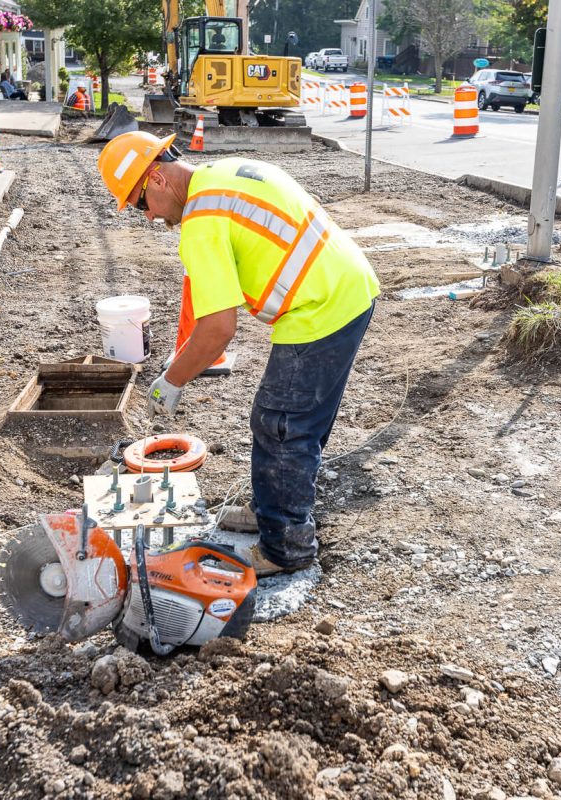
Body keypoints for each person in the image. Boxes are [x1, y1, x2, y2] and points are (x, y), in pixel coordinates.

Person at [96, 131, 380, 577]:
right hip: (349, 287)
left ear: (156, 178)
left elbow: (217, 330)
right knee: (301, 419)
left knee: (281, 424)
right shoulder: (224, 173)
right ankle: (275, 507)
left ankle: (285, 546)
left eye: (139, 204)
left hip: (320, 308)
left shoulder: (202, 223)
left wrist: (171, 381)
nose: (148, 217)